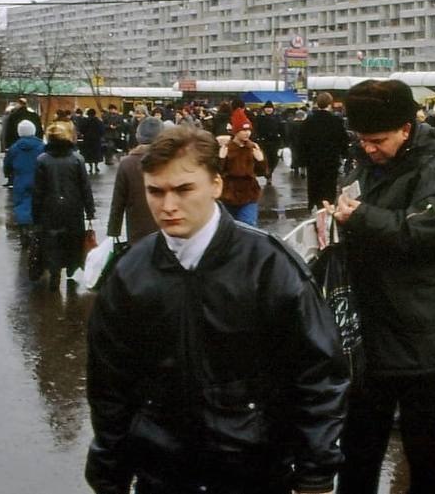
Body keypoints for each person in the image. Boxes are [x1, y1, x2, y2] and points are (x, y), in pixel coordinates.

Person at [85, 126, 348, 494]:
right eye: (155, 192)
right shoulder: (131, 273)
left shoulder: (268, 266)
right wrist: (108, 473)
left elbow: (319, 374)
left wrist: (316, 476)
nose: (168, 206)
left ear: (216, 186)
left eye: (183, 189)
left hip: (254, 474)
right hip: (163, 476)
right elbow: (110, 386)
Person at [328, 80, 435, 494]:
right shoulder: (365, 162)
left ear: (406, 129)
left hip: (422, 342)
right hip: (369, 335)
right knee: (357, 450)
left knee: (424, 455)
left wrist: (358, 218)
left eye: (378, 140)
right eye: (361, 139)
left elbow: (428, 232)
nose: (369, 148)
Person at [32, 121, 95, 289]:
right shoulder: (77, 159)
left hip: (49, 208)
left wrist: (35, 214)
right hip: (73, 207)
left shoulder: (42, 160)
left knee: (52, 241)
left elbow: (38, 190)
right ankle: (71, 269)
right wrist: (90, 210)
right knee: (73, 239)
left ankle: (54, 272)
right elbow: (85, 187)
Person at [106, 115, 163, 244]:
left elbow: (118, 201)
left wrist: (113, 231)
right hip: (167, 229)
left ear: (139, 136)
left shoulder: (127, 163)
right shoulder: (169, 161)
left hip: (137, 229)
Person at [295, 92, 348, 210]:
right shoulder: (335, 121)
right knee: (329, 186)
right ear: (330, 104)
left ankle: (314, 205)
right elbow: (343, 140)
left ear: (317, 104)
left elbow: (301, 141)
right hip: (331, 160)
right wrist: (344, 154)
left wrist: (302, 161)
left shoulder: (308, 121)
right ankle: (327, 206)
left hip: (313, 160)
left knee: (314, 184)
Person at [218, 111, 265, 226]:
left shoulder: (252, 147)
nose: (247, 133)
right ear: (236, 131)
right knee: (228, 227)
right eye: (243, 130)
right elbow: (217, 171)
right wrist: (221, 158)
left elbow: (262, 172)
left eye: (249, 130)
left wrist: (261, 160)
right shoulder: (227, 148)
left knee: (248, 225)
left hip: (249, 193)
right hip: (229, 194)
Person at [5, 120, 45, 245]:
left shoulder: (15, 147)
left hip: (21, 180)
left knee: (21, 204)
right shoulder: (41, 146)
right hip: (38, 179)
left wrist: (8, 173)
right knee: (38, 203)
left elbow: (7, 163)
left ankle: (24, 230)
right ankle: (36, 230)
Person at [253, 101, 286, 184]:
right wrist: (257, 139)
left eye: (270, 108)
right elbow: (256, 129)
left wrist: (284, 141)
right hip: (263, 142)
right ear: (264, 109)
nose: (268, 110)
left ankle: (270, 171)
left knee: (274, 159)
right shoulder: (259, 118)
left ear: (273, 109)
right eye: (267, 108)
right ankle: (268, 174)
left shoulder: (277, 118)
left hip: (275, 142)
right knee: (265, 158)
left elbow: (283, 130)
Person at [80, 108, 105, 174]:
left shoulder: (85, 121)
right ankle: (96, 166)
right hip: (96, 140)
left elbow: (81, 130)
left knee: (89, 155)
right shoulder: (99, 121)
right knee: (96, 154)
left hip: (87, 140)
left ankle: (90, 167)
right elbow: (102, 131)